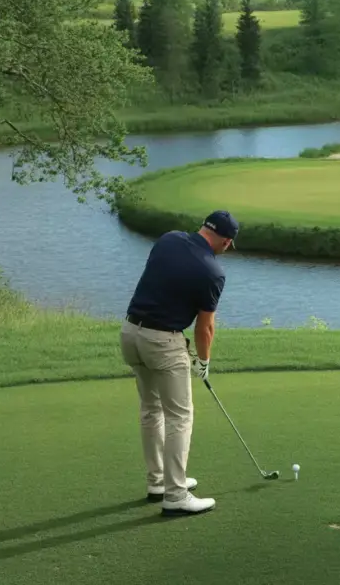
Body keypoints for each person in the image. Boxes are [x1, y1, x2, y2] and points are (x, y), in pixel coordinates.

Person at [119, 210, 239, 517]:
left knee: (151, 409)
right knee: (179, 417)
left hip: (131, 333)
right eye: (229, 245)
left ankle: (158, 482)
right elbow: (205, 328)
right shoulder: (213, 272)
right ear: (225, 241)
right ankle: (175, 495)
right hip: (162, 343)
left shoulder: (168, 239)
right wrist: (204, 361)